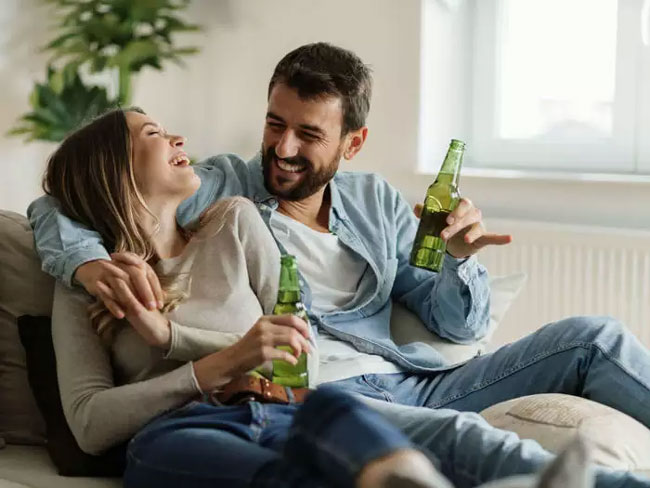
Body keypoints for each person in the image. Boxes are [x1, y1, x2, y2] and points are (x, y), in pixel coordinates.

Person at [28, 43, 650, 487]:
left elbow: (452, 324)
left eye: (309, 134)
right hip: (317, 392)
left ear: (353, 143)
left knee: (594, 338)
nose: (284, 148)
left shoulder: (365, 202)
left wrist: (456, 263)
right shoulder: (226, 192)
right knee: (445, 443)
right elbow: (66, 199)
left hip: (406, 377)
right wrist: (87, 265)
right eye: (275, 125)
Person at [42, 106, 453, 488]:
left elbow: (304, 359)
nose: (177, 139)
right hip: (181, 430)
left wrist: (172, 337)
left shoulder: (234, 222)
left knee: (353, 419)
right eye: (153, 134)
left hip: (285, 409)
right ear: (113, 170)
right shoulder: (91, 282)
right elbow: (89, 425)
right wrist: (226, 361)